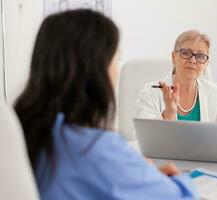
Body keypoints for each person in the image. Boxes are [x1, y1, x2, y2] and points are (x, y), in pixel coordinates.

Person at [14, 10, 198, 200]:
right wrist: (156, 176)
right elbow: (182, 196)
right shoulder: (94, 147)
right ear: (96, 68)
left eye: (200, 56)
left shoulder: (27, 127)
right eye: (115, 58)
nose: (193, 61)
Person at [136, 29, 217, 128]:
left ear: (206, 63)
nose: (193, 60)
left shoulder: (216, 91)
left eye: (200, 56)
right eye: (186, 53)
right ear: (173, 56)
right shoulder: (150, 92)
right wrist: (168, 114)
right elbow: (141, 136)